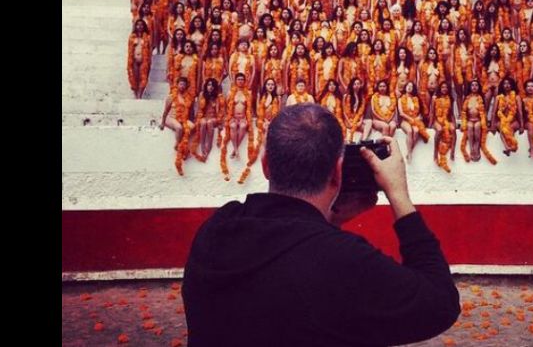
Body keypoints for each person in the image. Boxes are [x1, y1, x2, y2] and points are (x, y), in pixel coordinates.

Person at [182, 104, 460, 346]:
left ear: (266, 165)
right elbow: (441, 303)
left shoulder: (216, 230)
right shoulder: (346, 261)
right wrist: (399, 195)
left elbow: (289, 246)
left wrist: (331, 218)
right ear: (337, 173)